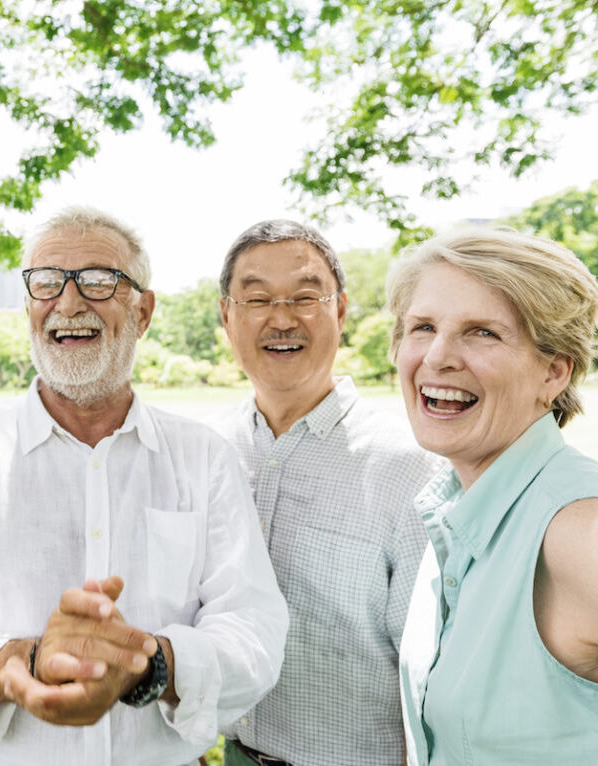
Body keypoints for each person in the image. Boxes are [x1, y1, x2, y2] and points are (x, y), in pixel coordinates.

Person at [0, 206, 289, 765]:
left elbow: (253, 628)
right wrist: (17, 665)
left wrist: (150, 664)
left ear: (142, 311)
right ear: (28, 306)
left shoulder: (202, 457)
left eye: (98, 280)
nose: (68, 303)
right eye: (47, 282)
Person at [215, 219, 442, 766]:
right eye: (257, 299)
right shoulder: (209, 454)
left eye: (304, 296)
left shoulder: (409, 465)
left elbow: (431, 674)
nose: (282, 318)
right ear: (226, 316)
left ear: (340, 310)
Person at [387, 228, 598, 765]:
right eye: (423, 327)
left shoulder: (577, 527)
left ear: (554, 372)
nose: (438, 356)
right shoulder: (451, 509)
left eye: (481, 332)